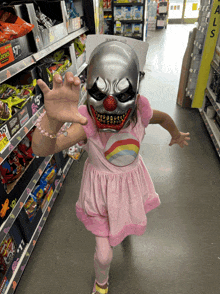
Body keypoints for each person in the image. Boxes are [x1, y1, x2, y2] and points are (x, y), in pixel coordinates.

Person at [32, 40, 190, 294]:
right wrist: (52, 120)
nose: (109, 105)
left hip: (129, 187)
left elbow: (162, 118)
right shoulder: (87, 122)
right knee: (104, 256)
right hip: (100, 194)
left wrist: (176, 133)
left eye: (123, 94)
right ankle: (101, 283)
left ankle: (122, 227)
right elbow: (41, 149)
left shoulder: (140, 111)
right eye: (100, 93)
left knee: (123, 220)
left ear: (136, 95)